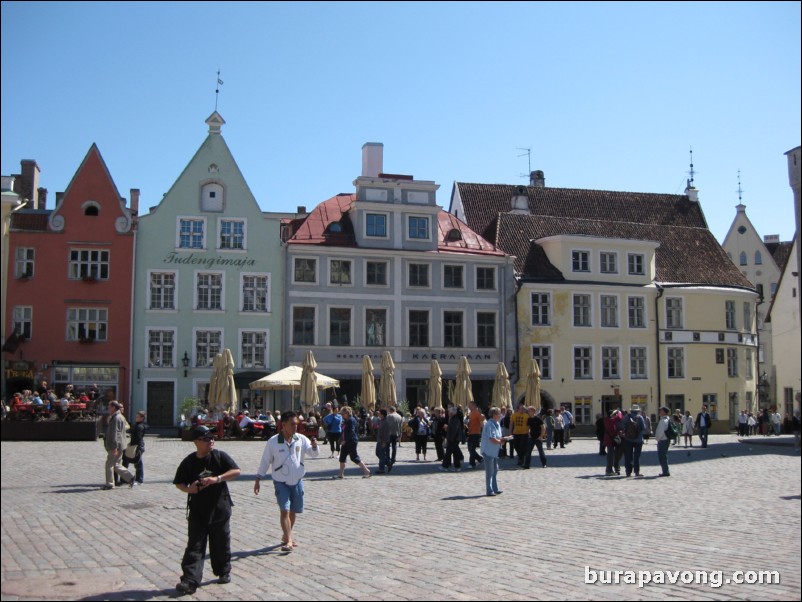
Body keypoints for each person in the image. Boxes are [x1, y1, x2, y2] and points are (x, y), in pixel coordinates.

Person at [173, 425, 241, 595]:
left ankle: (223, 570)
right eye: (206, 439)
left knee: (220, 541)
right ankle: (190, 580)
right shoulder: (189, 461)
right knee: (195, 545)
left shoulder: (219, 456)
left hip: (219, 507)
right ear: (196, 442)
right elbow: (179, 482)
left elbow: (236, 471)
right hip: (198, 510)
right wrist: (190, 489)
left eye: (212, 438)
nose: (211, 441)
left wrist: (217, 479)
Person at [254, 410, 318, 552]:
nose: (296, 427)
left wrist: (314, 445)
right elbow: (265, 461)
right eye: (292, 424)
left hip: (296, 480)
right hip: (280, 481)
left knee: (293, 511)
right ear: (283, 425)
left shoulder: (301, 439)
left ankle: (286, 535)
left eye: (297, 424)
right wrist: (258, 478)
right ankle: (289, 540)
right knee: (284, 510)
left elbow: (313, 454)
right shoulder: (273, 442)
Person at [103, 399, 134, 489]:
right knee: (116, 465)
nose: (108, 408)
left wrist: (114, 447)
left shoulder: (116, 418)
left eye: (109, 406)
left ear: (113, 407)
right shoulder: (118, 416)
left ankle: (109, 484)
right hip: (120, 445)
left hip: (116, 446)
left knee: (109, 465)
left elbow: (116, 433)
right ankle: (130, 477)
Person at [334, 406, 371, 479]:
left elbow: (351, 432)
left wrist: (345, 441)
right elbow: (344, 431)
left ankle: (366, 471)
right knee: (342, 457)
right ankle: (340, 474)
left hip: (351, 441)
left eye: (343, 414)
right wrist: (341, 439)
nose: (342, 415)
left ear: (347, 413)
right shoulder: (346, 421)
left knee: (354, 457)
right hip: (345, 442)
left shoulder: (351, 420)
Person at [480, 407, 509, 496]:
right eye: (498, 414)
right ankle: (489, 490)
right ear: (493, 415)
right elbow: (492, 438)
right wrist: (501, 441)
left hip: (494, 451)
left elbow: (498, 437)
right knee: (489, 471)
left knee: (495, 470)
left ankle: (495, 488)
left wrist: (504, 439)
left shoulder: (497, 423)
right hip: (488, 451)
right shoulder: (489, 424)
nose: (500, 415)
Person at [619, 405, 646, 477]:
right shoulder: (640, 417)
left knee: (628, 456)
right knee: (637, 456)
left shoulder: (626, 417)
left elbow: (622, 426)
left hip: (628, 439)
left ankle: (628, 472)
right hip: (639, 440)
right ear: (638, 411)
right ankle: (636, 472)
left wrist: (626, 432)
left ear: (631, 410)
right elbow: (644, 428)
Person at [122, 410, 148, 486]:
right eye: (136, 416)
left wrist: (135, 446)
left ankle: (139, 479)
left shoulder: (140, 426)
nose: (136, 418)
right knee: (128, 460)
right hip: (134, 445)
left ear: (142, 418)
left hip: (138, 446)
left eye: (138, 417)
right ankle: (124, 478)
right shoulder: (137, 425)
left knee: (138, 462)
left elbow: (138, 438)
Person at [440, 405, 465, 472]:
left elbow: (454, 430)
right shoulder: (453, 418)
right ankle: (457, 466)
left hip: (453, 439)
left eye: (449, 412)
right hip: (454, 438)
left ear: (452, 413)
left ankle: (445, 466)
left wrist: (450, 438)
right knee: (455, 452)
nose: (448, 413)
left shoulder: (455, 419)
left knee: (448, 453)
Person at [603, 409, 624, 476]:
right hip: (611, 439)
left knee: (611, 454)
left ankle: (609, 469)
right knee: (611, 455)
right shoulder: (611, 420)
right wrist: (618, 411)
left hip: (609, 438)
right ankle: (609, 470)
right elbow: (620, 417)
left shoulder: (606, 419)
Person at [654, 406, 672, 477]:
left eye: (661, 410)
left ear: (664, 412)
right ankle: (665, 470)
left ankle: (665, 471)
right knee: (664, 456)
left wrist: (657, 439)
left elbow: (660, 432)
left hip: (662, 440)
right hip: (666, 439)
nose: (659, 412)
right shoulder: (667, 419)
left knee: (662, 456)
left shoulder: (663, 421)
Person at [466, 401, 485, 468]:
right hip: (470, 432)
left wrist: (484, 431)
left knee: (472, 448)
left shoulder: (477, 413)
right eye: (469, 405)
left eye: (470, 405)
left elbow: (481, 422)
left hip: (476, 433)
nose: (469, 407)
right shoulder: (470, 413)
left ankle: (472, 463)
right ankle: (480, 458)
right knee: (469, 448)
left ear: (474, 406)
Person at [375, 409, 391, 474]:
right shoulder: (381, 421)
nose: (378, 414)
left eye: (379, 413)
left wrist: (384, 442)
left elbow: (386, 433)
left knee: (381, 455)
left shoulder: (386, 422)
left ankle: (381, 469)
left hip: (383, 441)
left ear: (382, 414)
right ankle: (388, 462)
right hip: (379, 440)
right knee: (377, 453)